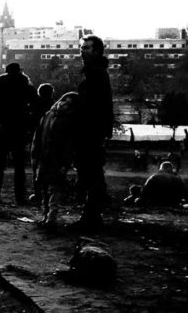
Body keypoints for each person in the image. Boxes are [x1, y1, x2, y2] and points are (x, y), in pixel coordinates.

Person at [71, 34, 114, 230]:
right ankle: (92, 214)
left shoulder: (95, 73)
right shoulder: (96, 71)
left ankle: (91, 217)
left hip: (90, 130)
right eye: (81, 48)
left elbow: (94, 105)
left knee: (89, 172)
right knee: (91, 172)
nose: (82, 51)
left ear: (96, 50)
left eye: (86, 48)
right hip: (93, 129)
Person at [0, 62, 37, 204]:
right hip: (19, 126)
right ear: (19, 71)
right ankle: (20, 196)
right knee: (19, 164)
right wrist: (27, 122)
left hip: (3, 127)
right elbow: (34, 103)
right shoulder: (26, 84)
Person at [32, 91, 80, 229]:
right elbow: (38, 137)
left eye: (68, 103)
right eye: (65, 100)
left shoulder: (53, 116)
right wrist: (35, 154)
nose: (64, 104)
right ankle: (47, 214)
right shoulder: (49, 115)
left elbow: (69, 144)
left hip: (56, 158)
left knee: (53, 187)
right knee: (45, 187)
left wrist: (65, 162)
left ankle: (50, 216)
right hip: (46, 156)